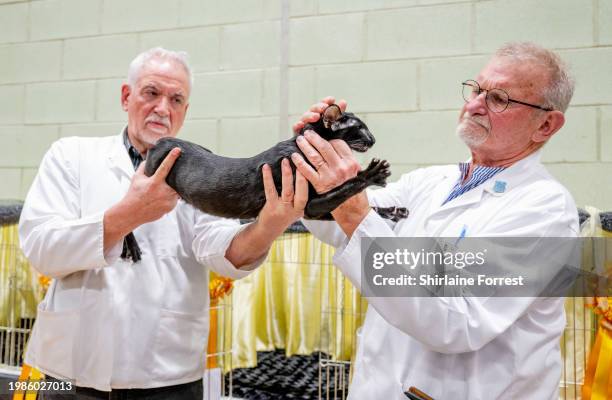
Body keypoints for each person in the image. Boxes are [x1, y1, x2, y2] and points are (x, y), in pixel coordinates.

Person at [291, 42, 578, 399]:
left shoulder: (543, 209)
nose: (473, 105)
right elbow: (337, 223)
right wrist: (312, 154)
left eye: (499, 99)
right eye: (476, 89)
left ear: (546, 124)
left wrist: (352, 209)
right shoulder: (429, 182)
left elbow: (458, 323)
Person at [18, 47, 307, 399]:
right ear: (127, 96)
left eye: (176, 99)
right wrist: (129, 214)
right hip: (65, 373)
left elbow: (222, 249)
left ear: (185, 111)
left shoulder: (201, 171)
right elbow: (41, 249)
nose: (162, 109)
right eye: (151, 93)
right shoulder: (70, 156)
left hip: (167, 377)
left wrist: (270, 226)